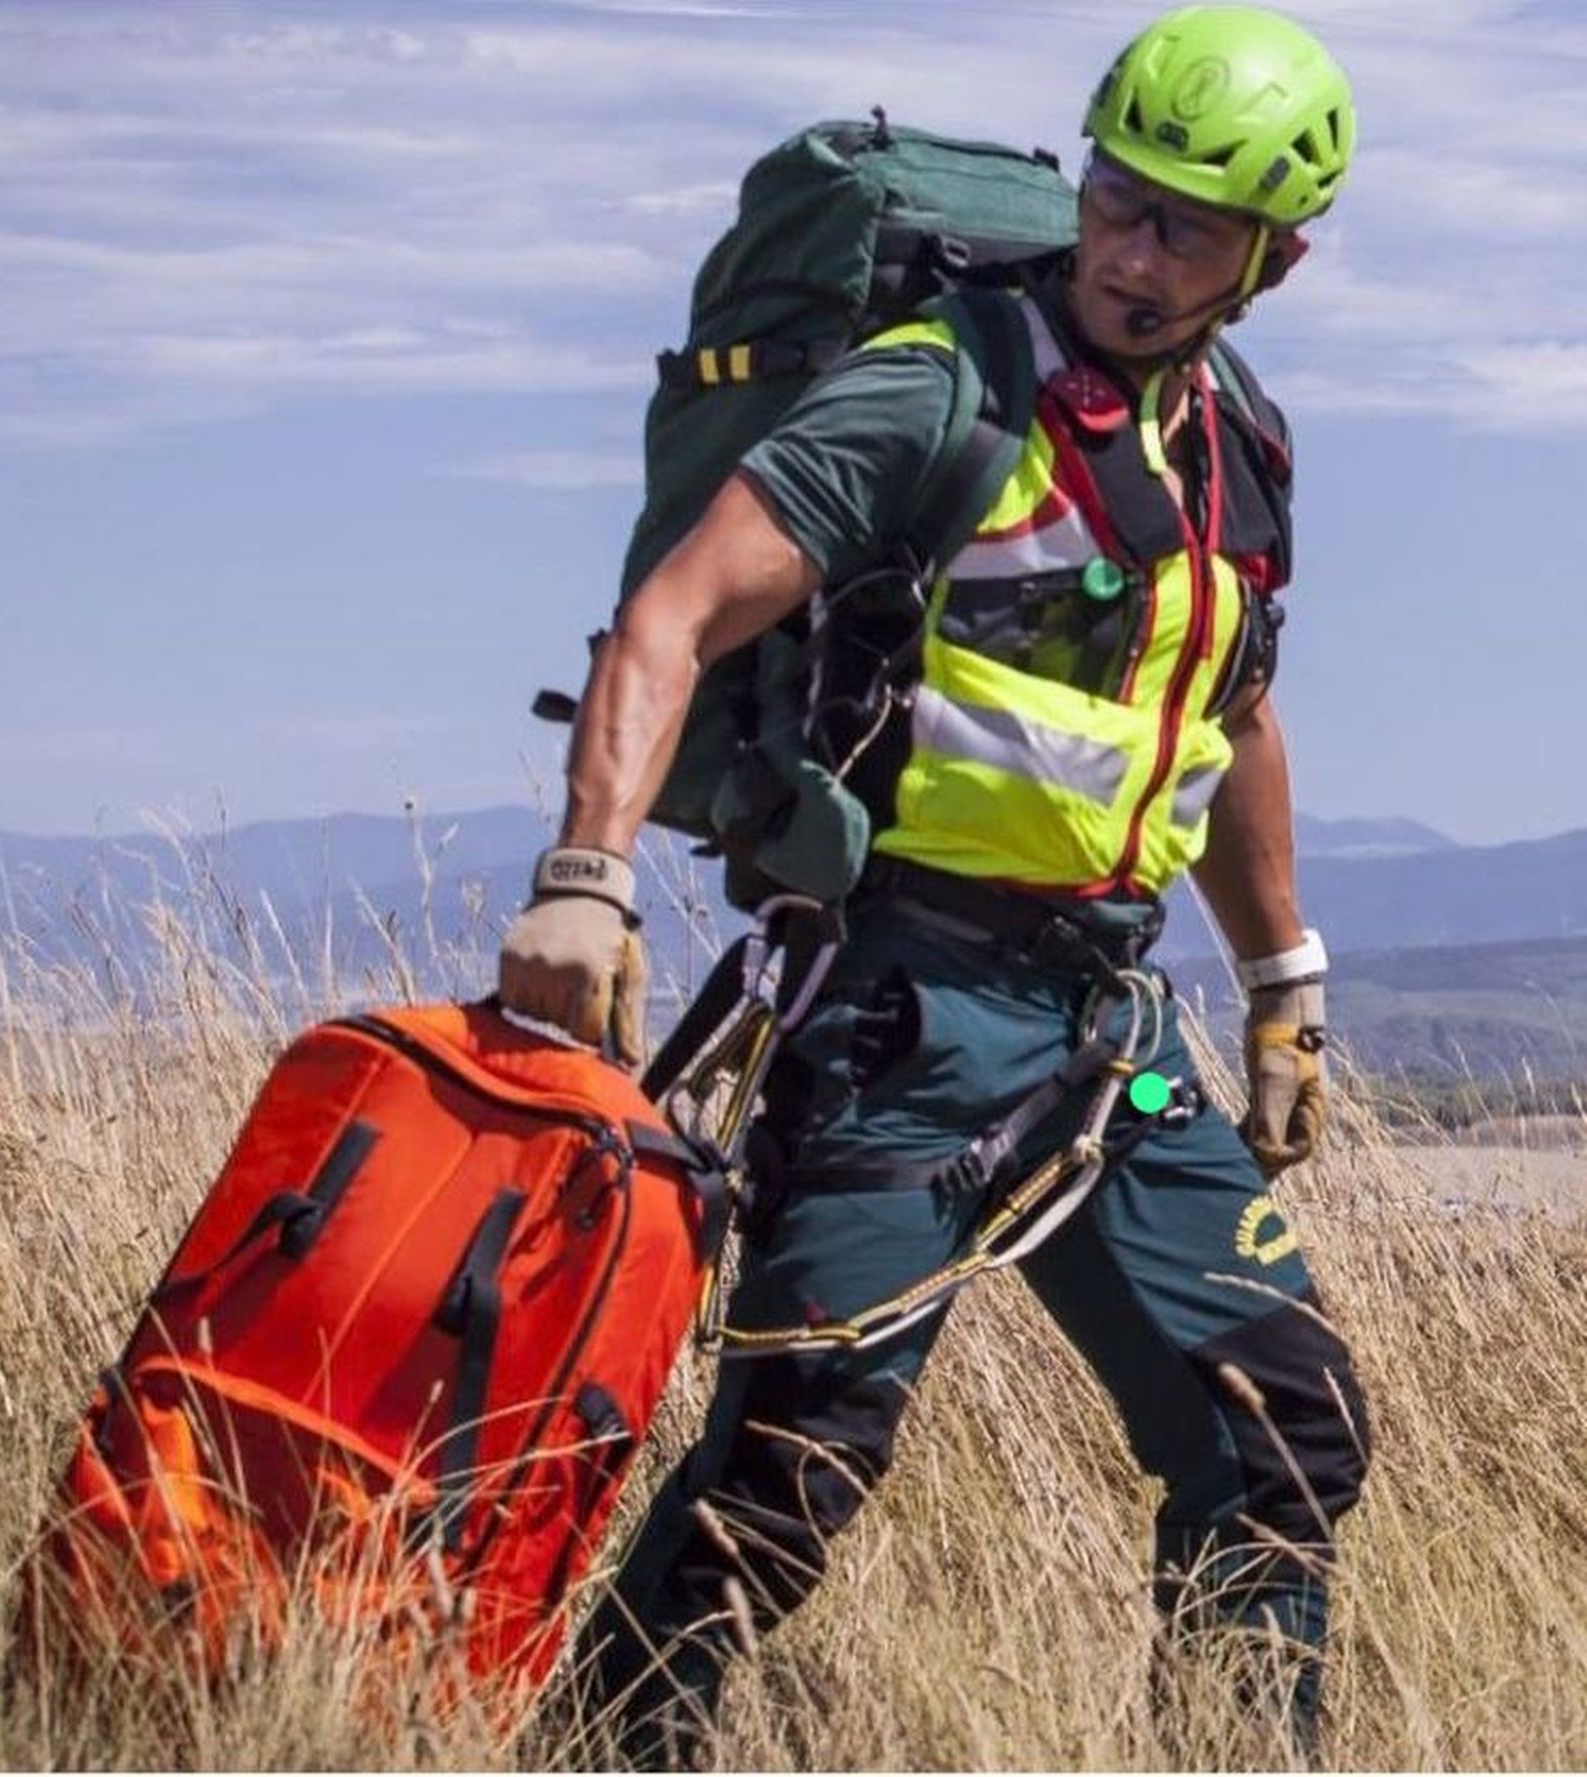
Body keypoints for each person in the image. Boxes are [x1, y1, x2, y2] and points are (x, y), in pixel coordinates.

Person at [499, 4, 1371, 1762]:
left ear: (1272, 260)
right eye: (1117, 200)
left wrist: (1284, 980)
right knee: (795, 1461)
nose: (1128, 250)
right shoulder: (942, 383)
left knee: (1282, 1423)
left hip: (1110, 1028)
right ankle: (602, 1743)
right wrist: (586, 873)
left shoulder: (1238, 445)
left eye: (1182, 228)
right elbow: (675, 613)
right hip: (902, 1008)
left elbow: (1236, 702)